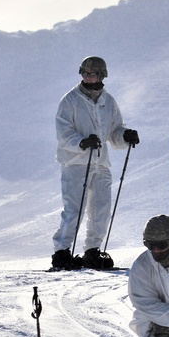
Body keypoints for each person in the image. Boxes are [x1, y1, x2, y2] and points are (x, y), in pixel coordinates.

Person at [51, 56, 139, 270]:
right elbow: (63, 132)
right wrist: (81, 142)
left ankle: (93, 251)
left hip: (100, 163)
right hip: (76, 162)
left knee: (101, 208)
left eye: (92, 74)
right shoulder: (70, 100)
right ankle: (62, 253)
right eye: (85, 73)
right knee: (74, 209)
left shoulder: (108, 101)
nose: (87, 77)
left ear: (101, 75)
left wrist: (125, 135)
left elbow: (115, 130)